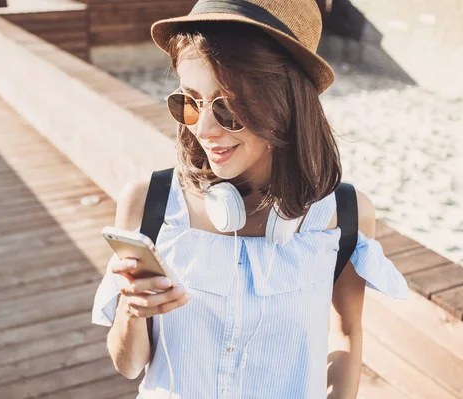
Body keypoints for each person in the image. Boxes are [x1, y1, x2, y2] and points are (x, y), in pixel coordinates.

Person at [92, 1, 409, 398]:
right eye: (190, 102)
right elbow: (128, 365)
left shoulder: (345, 215)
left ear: (286, 105)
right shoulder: (148, 202)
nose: (204, 129)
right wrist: (131, 309)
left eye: (229, 107)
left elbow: (345, 333)